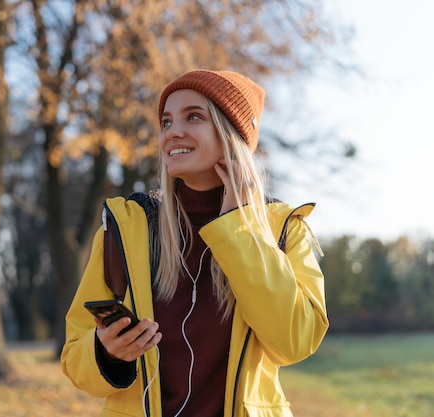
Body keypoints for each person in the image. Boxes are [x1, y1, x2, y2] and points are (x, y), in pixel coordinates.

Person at [61, 69, 329, 417]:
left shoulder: (284, 229)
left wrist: (240, 228)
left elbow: (295, 341)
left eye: (194, 116)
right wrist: (106, 352)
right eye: (167, 121)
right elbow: (74, 358)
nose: (174, 132)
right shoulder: (125, 228)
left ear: (232, 133)